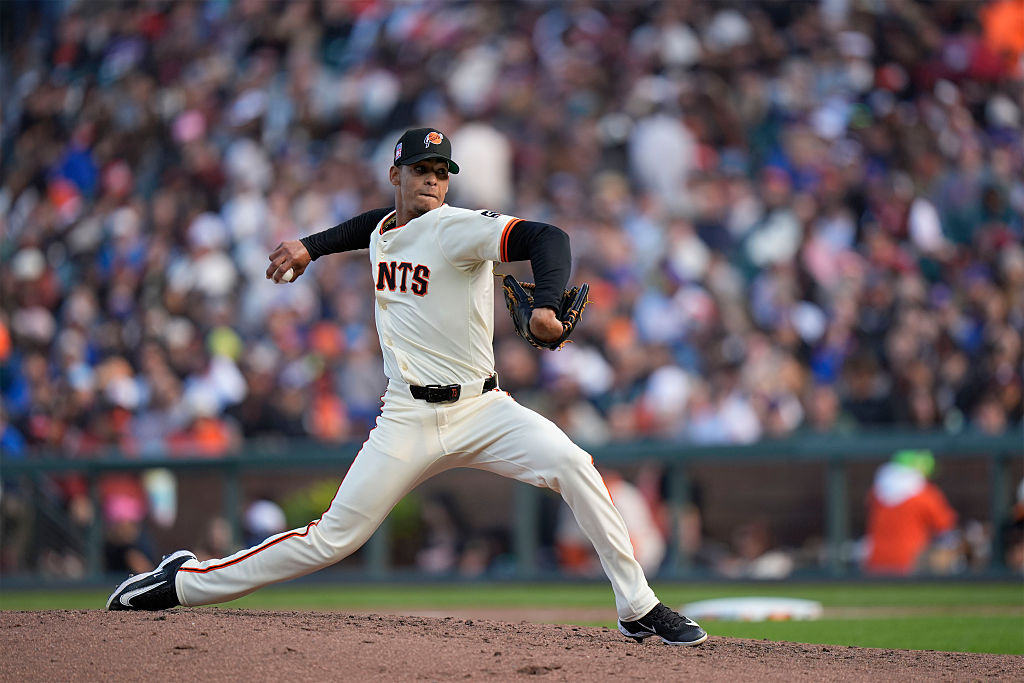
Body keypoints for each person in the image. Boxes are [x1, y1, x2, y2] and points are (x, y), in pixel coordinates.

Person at [106, 127, 707, 647]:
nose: (433, 180)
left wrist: (547, 304)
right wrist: (310, 248)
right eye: (422, 169)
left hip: (484, 407)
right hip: (407, 417)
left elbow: (548, 238)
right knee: (332, 541)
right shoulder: (389, 227)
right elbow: (374, 227)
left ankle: (637, 608)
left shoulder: (457, 228)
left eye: (442, 172)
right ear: (396, 173)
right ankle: (183, 580)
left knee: (574, 464)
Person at [863, 449, 958, 575]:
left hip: (874, 561)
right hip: (911, 563)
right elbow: (946, 526)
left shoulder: (875, 492)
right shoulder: (925, 494)